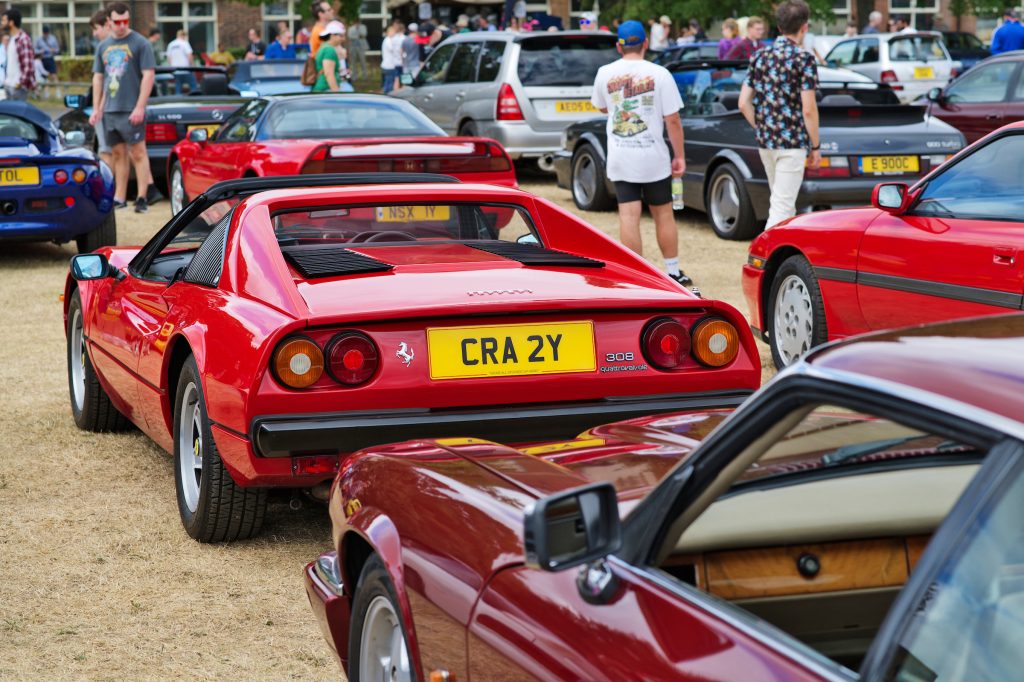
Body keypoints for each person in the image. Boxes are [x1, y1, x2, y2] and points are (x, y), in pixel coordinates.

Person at [591, 20, 691, 286]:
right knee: (663, 213)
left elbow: (602, 107)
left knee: (628, 214)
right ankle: (672, 271)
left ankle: (637, 275)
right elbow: (673, 120)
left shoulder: (604, 73)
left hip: (622, 156)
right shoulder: (660, 73)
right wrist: (679, 155)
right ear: (646, 43)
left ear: (618, 46)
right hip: (653, 156)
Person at [738, 0, 819, 230]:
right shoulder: (804, 59)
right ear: (804, 27)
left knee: (781, 201)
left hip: (766, 142)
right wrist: (816, 145)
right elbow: (808, 109)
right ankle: (764, 260)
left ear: (779, 25)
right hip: (792, 143)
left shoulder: (760, 56)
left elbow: (743, 103)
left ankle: (779, 258)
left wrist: (761, 127)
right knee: (782, 207)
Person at [91, 2, 157, 213]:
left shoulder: (140, 43)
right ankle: (119, 196)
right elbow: (99, 78)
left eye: (125, 21)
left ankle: (142, 197)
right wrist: (96, 108)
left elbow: (149, 75)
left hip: (131, 108)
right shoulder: (103, 46)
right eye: (117, 22)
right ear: (109, 21)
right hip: (110, 109)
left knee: (138, 152)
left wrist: (140, 106)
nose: (121, 25)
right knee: (118, 153)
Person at [2, 9, 35, 101]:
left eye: (4, 20)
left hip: (17, 88)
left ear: (11, 22)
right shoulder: (12, 39)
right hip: (8, 85)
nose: (2, 23)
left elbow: (28, 65)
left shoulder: (23, 39)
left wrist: (20, 84)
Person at [312, 21, 351, 92]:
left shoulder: (325, 46)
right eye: (341, 36)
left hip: (324, 88)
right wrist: (336, 93)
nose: (343, 39)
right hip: (326, 89)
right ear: (333, 35)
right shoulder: (329, 50)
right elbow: (329, 74)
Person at [165, 29, 198, 94]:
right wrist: (193, 65)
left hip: (176, 69)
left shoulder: (171, 44)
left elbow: (169, 58)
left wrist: (172, 67)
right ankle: (195, 99)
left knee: (178, 86)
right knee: (193, 85)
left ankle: (178, 101)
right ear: (183, 35)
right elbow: (189, 55)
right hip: (186, 69)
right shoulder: (184, 43)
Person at [380, 22, 404, 93]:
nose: (394, 33)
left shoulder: (387, 40)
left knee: (387, 83)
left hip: (386, 65)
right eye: (393, 32)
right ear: (389, 32)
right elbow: (394, 50)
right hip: (389, 66)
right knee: (389, 85)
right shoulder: (388, 40)